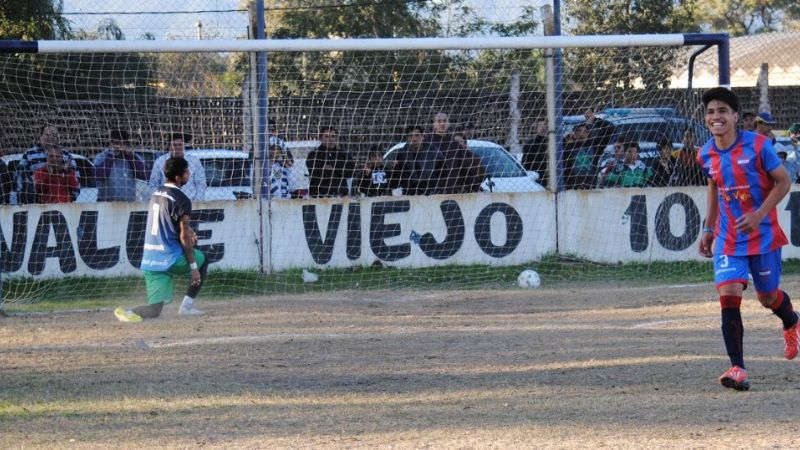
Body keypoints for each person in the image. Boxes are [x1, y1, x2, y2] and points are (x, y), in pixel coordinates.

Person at [697, 87, 798, 391]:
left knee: (768, 297)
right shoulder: (705, 154)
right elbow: (714, 187)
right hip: (729, 239)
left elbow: (783, 182)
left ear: (736, 116)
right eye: (711, 112)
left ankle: (791, 321)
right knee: (728, 296)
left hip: (763, 236)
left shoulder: (758, 146)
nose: (717, 117)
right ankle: (737, 367)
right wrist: (708, 228)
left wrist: (757, 215)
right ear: (706, 118)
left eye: (723, 111)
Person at [115, 157, 208, 322]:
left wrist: (189, 229)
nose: (189, 174)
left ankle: (129, 311)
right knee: (204, 260)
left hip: (151, 260)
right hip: (170, 259)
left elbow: (169, 220)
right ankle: (186, 307)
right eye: (186, 172)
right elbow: (183, 236)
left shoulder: (156, 192)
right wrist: (194, 267)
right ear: (178, 177)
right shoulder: (182, 199)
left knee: (155, 310)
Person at [16, 125, 79, 204]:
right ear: (41, 137)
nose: (51, 137)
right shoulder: (29, 154)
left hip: (63, 201)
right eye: (47, 134)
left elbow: (76, 176)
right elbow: (20, 175)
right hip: (36, 202)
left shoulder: (66, 155)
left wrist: (73, 197)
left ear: (58, 139)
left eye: (54, 135)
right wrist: (23, 197)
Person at [149, 132, 206, 201]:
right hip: (167, 202)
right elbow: (153, 184)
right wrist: (159, 200)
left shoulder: (194, 161)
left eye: (180, 145)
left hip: (190, 201)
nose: (177, 147)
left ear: (184, 145)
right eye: (174, 145)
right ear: (169, 146)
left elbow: (201, 183)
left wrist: (197, 201)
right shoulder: (160, 162)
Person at [94, 129, 147, 202]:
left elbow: (144, 175)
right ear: (111, 143)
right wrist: (112, 156)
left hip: (128, 204)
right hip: (105, 203)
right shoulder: (102, 156)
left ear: (127, 144)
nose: (120, 147)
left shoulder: (133, 157)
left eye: (123, 144)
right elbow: (99, 175)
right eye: (117, 143)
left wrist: (131, 158)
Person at [306, 126, 355, 197]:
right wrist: (339, 169)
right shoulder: (313, 155)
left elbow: (350, 172)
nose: (330, 139)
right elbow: (316, 172)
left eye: (333, 136)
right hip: (319, 196)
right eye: (326, 136)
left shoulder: (343, 154)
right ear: (320, 138)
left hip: (341, 195)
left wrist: (330, 167)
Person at [521, 119, 548, 188]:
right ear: (536, 128)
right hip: (536, 176)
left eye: (545, 125)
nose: (543, 128)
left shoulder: (552, 142)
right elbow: (525, 162)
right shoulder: (530, 144)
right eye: (540, 125)